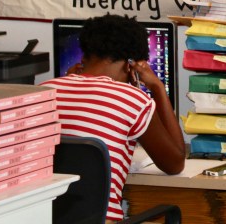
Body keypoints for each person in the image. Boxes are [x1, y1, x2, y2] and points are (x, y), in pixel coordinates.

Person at [41, 14, 186, 222]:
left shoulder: (42, 92)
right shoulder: (133, 99)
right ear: (131, 65)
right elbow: (175, 164)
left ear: (84, 55)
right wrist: (157, 88)